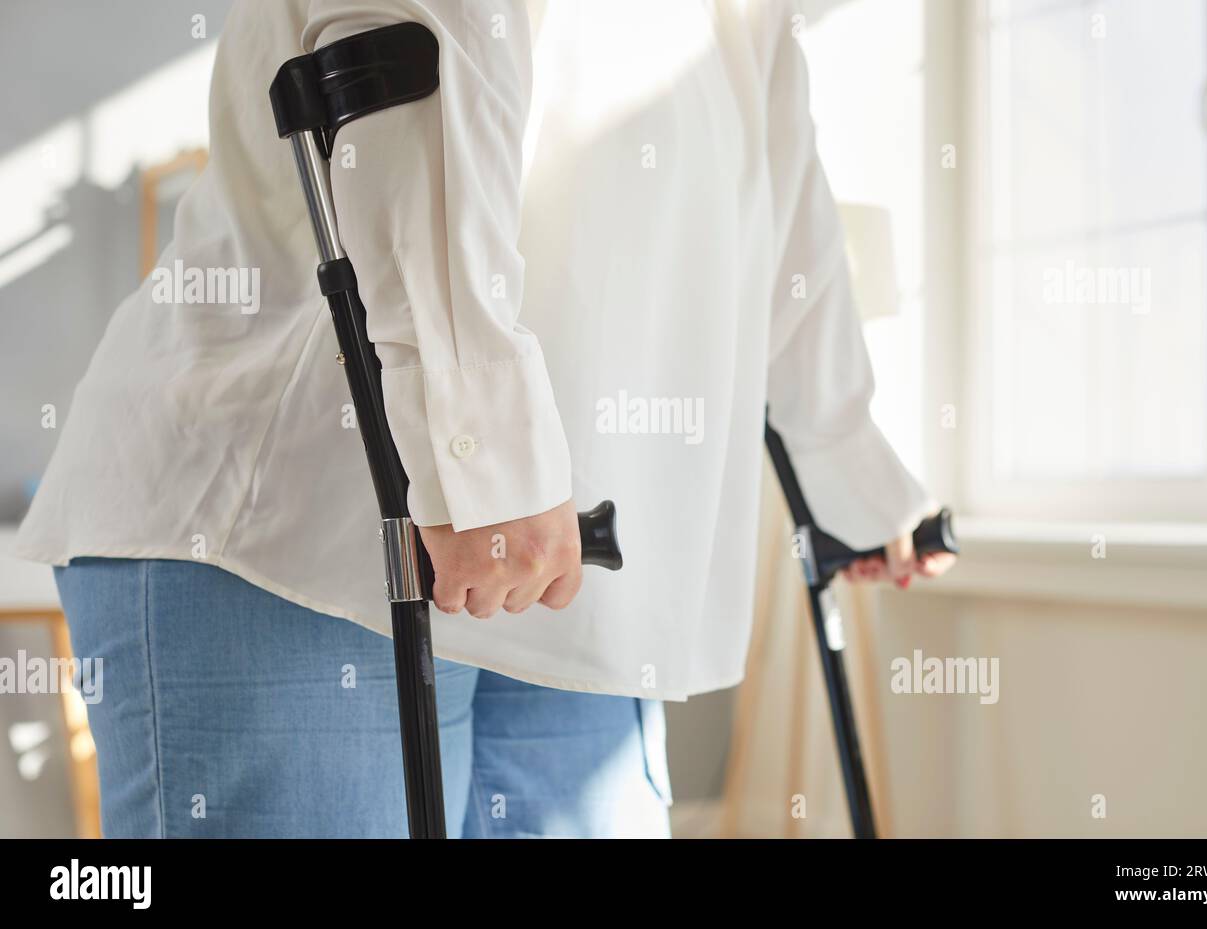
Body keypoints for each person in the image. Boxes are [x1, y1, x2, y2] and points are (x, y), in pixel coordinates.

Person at [14, 0, 954, 838]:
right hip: (291, 527)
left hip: (561, 565)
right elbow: (411, 70)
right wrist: (481, 456)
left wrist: (848, 469)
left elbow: (785, 213)